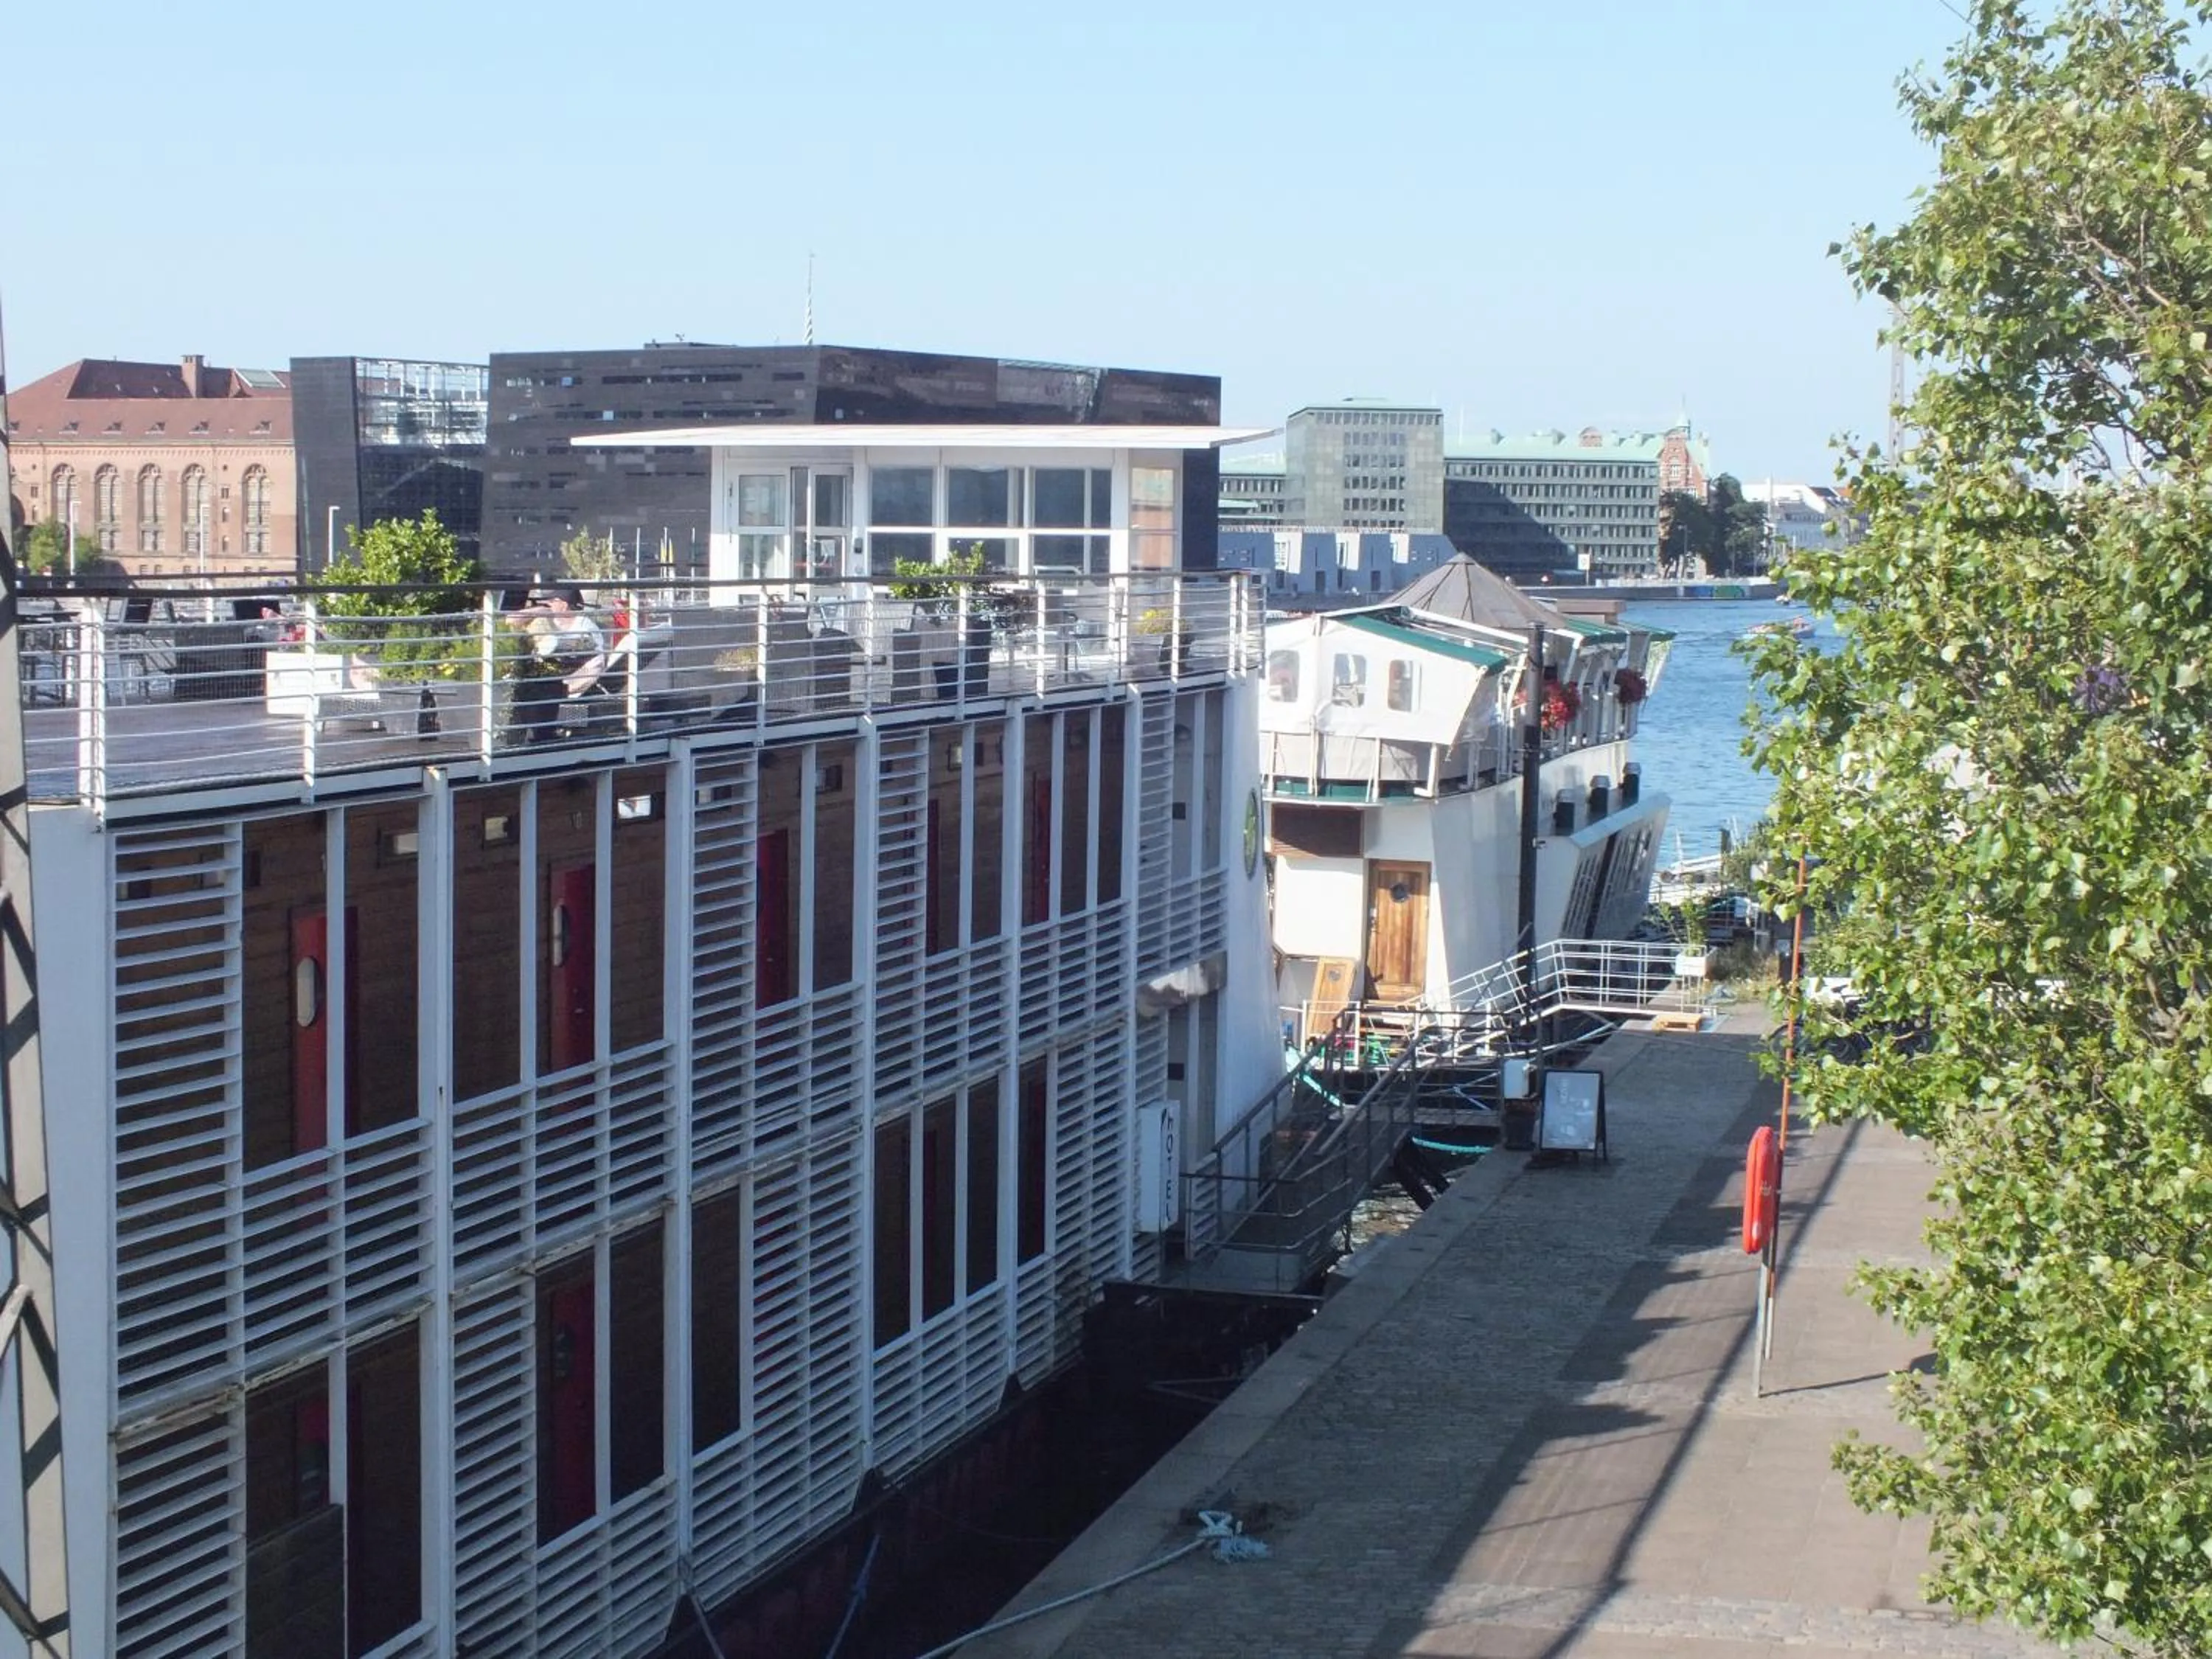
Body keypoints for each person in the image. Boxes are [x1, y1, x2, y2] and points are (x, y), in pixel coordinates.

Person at [506, 585, 607, 743]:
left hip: (569, 681)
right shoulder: (547, 621)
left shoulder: (585, 627)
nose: (549, 604)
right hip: (539, 678)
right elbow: (510, 620)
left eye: (553, 601)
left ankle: (540, 736)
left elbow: (597, 663)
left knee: (547, 687)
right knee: (529, 685)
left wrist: (571, 686)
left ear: (564, 605)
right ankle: (524, 736)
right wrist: (539, 611)